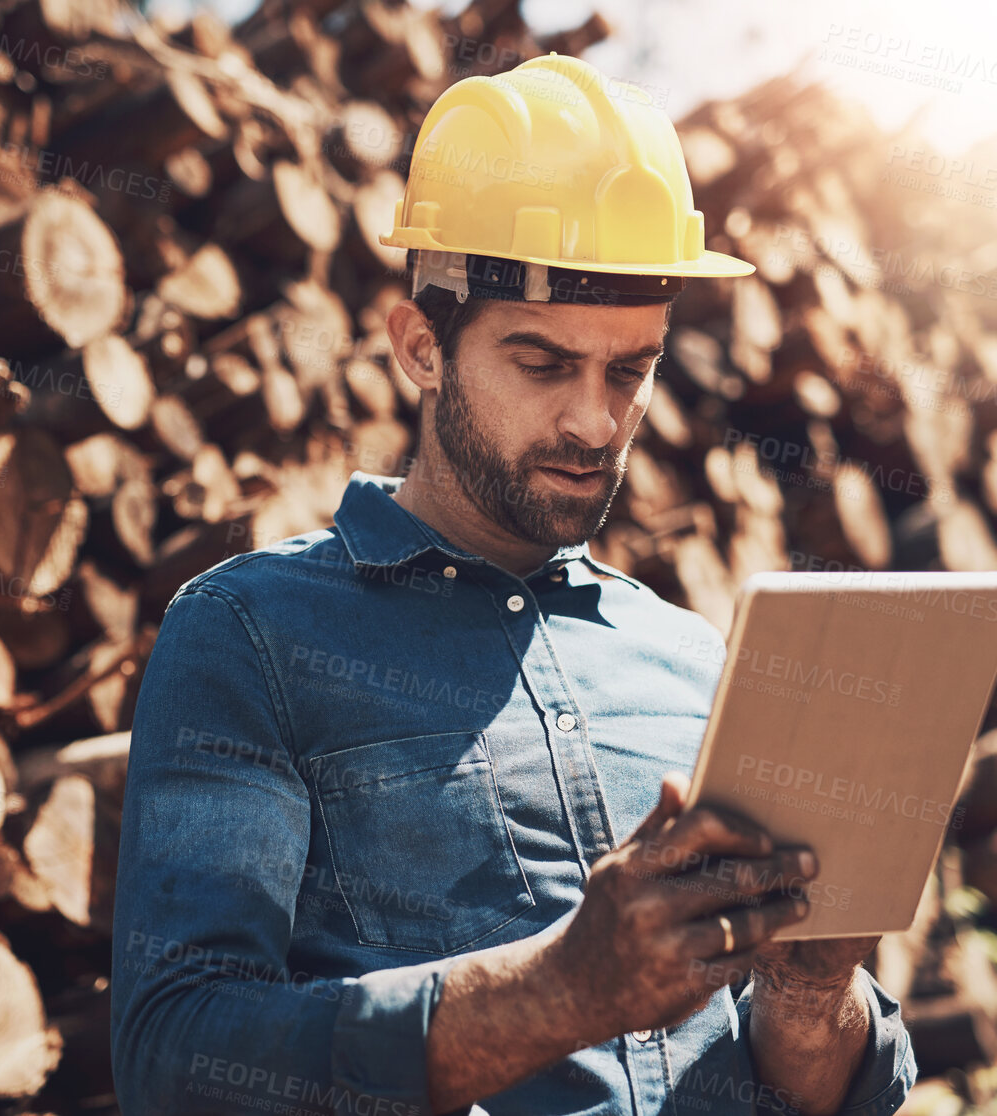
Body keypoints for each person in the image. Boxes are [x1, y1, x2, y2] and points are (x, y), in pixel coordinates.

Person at [111, 52, 917, 1116]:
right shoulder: (251, 634)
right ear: (420, 347)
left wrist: (811, 1003)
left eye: (629, 370)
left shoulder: (692, 661)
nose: (594, 421)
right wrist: (556, 994)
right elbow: (178, 1060)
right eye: (542, 364)